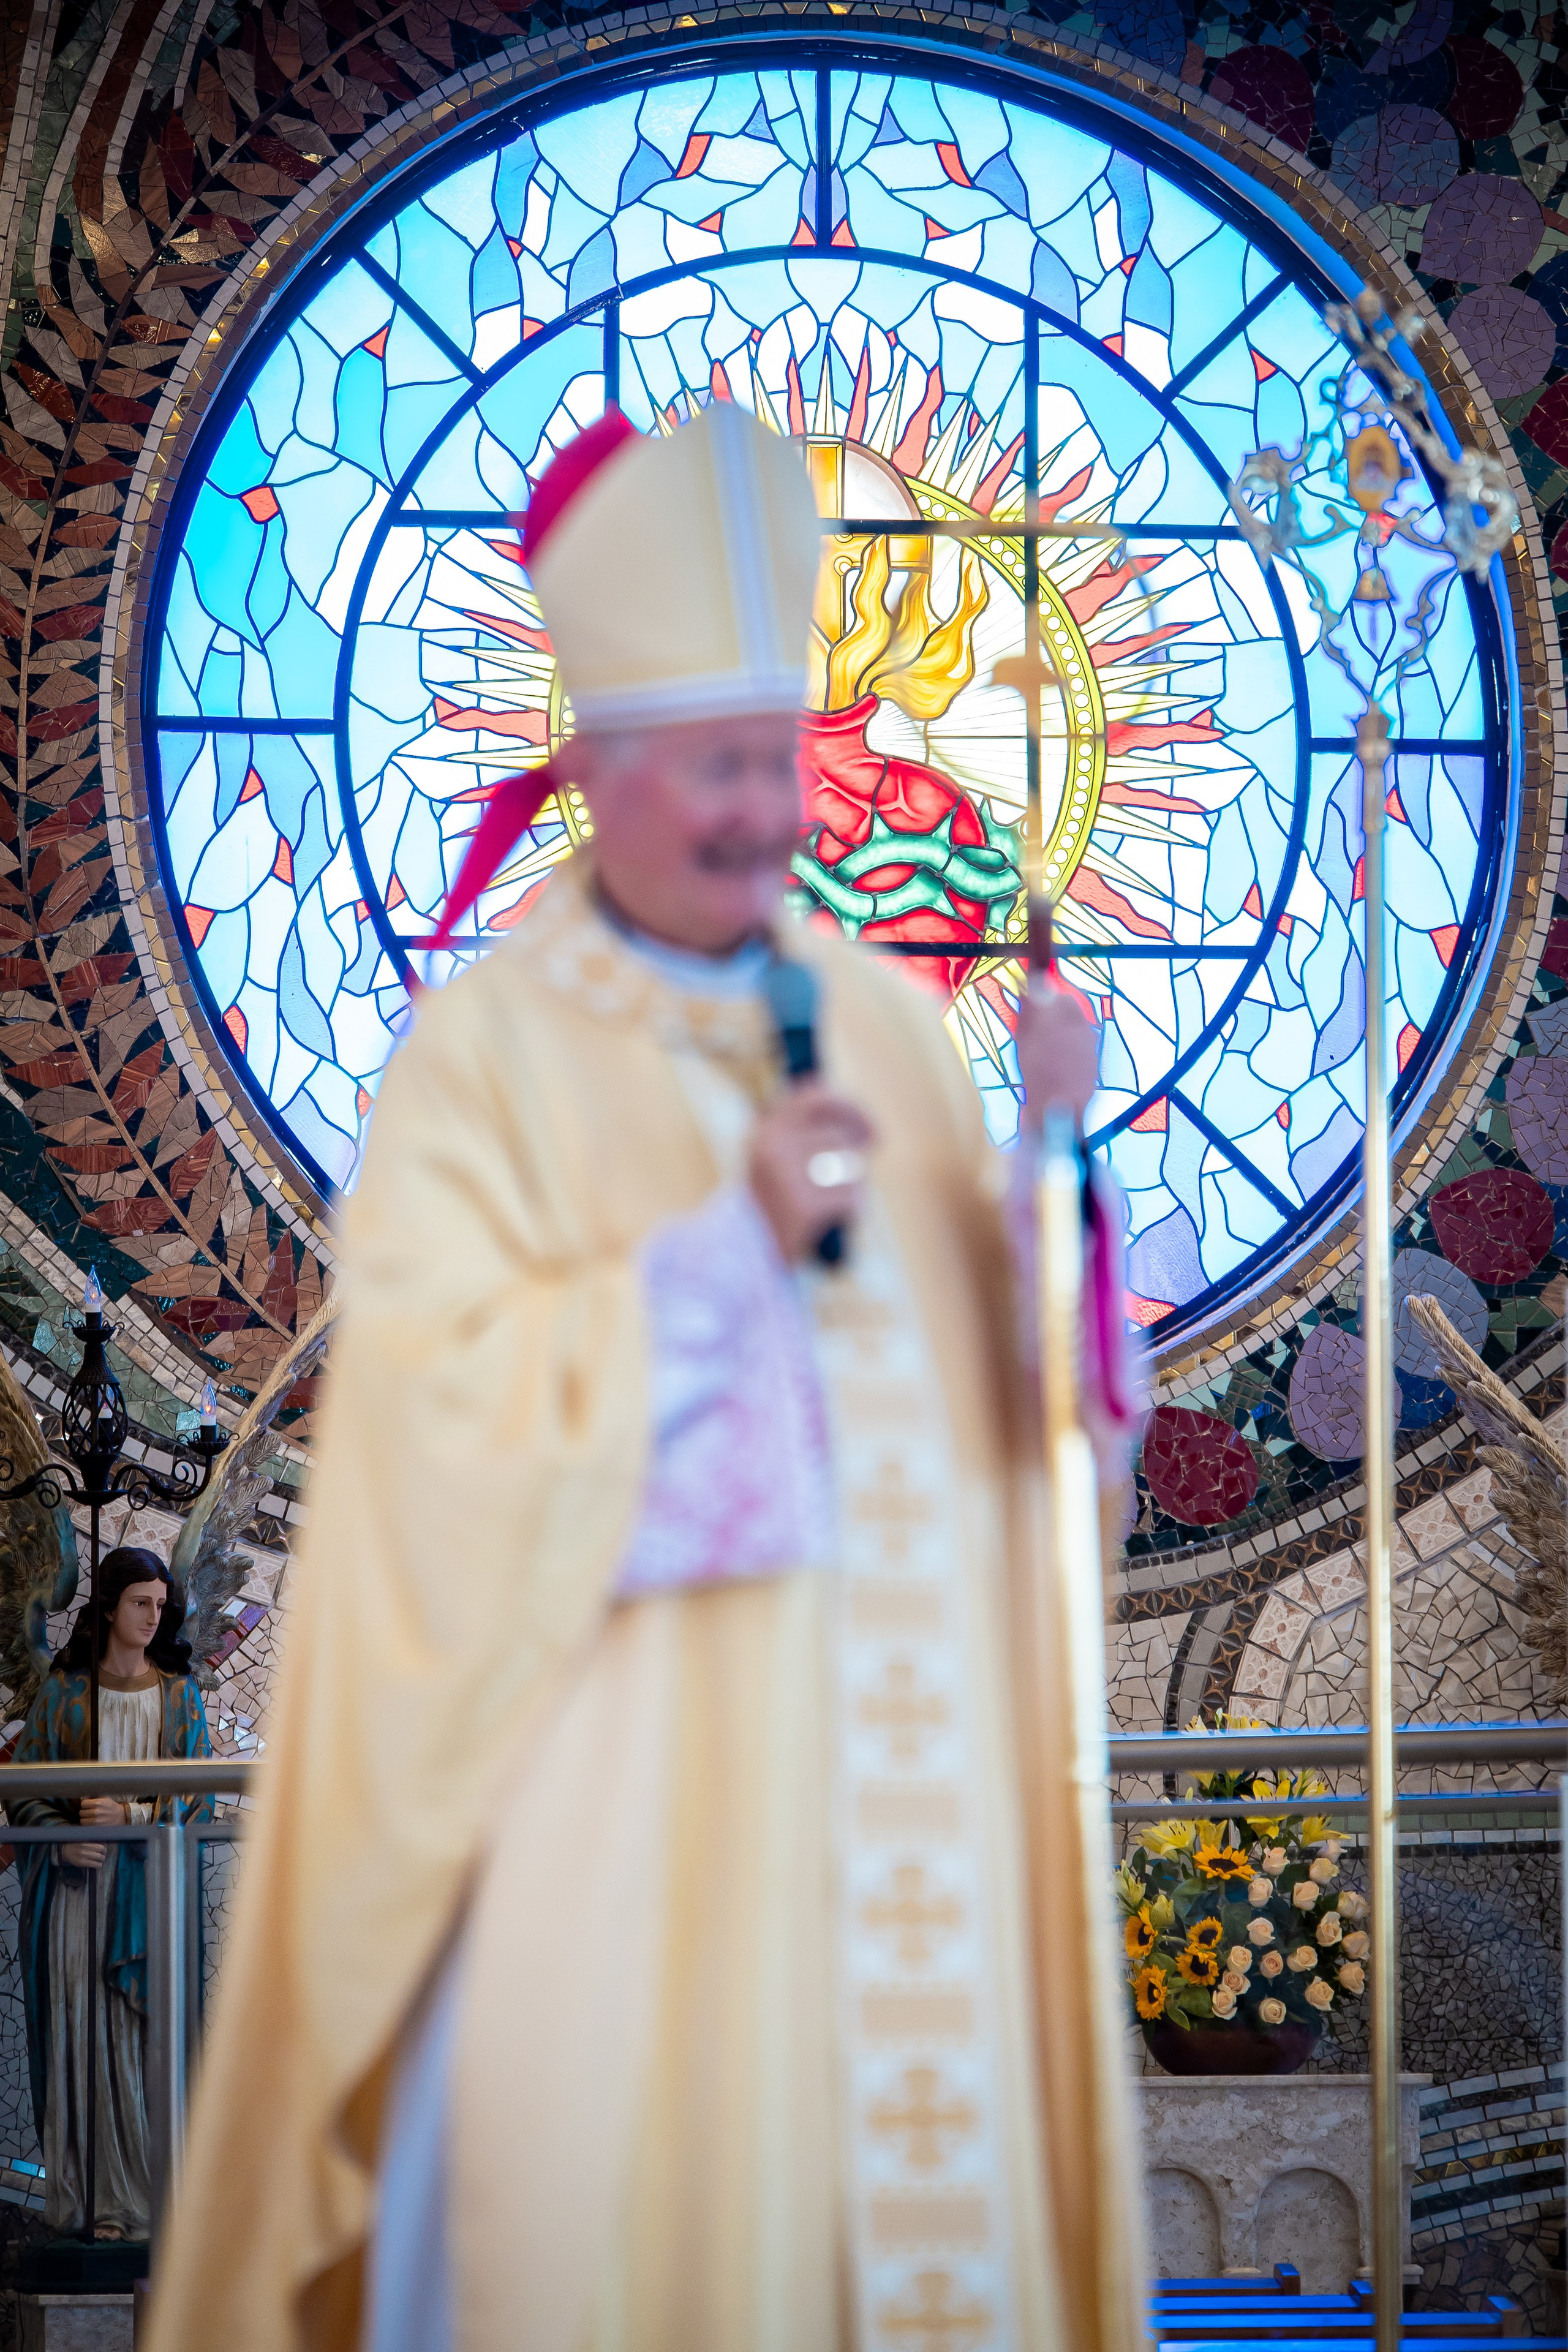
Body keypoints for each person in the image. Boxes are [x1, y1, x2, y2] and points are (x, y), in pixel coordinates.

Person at [148, 404, 1145, 2352]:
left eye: (775, 759)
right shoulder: (483, 1059)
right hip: (610, 1813)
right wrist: (719, 1256)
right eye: (711, 770)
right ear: (591, 767)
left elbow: (991, 1417)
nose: (768, 815)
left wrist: (1044, 1165)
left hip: (887, 1820)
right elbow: (438, 1443)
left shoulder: (876, 1013)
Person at [11, 1544, 212, 2241]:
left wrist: (133, 1816)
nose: (154, 1617)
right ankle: (88, 2199)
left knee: (139, 2041)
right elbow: (23, 1791)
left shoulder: (179, 1698)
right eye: (140, 1603)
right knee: (79, 2036)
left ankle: (147, 2200)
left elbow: (201, 1804)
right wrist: (61, 1838)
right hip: (77, 1898)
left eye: (161, 1605)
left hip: (146, 1900)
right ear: (110, 1606)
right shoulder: (66, 1695)